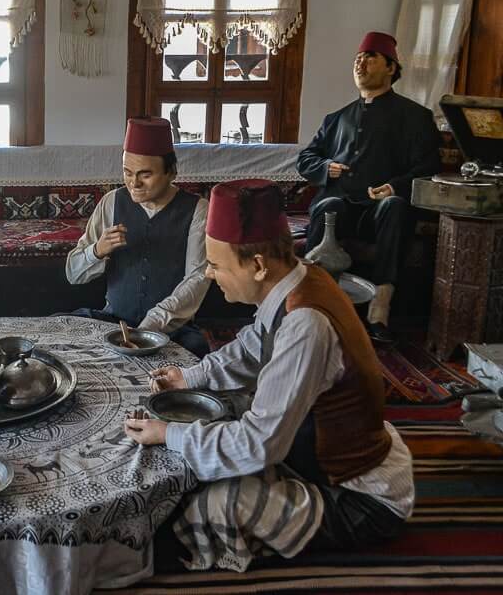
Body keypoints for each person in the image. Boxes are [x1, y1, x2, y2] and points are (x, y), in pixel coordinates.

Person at [124, 179, 414, 572]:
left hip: (358, 495)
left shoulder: (306, 324)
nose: (209, 275)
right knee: (216, 420)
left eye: (216, 265)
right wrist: (189, 378)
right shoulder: (298, 277)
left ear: (258, 266)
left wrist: (168, 434)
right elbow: (251, 346)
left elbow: (260, 444)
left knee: (206, 505)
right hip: (318, 451)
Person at [297, 31, 441, 343]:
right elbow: (306, 158)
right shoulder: (337, 118)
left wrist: (395, 186)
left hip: (380, 215)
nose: (360, 63)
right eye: (357, 59)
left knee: (394, 206)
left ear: (391, 68)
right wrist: (325, 167)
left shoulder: (415, 117)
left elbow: (429, 167)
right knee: (327, 205)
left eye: (369, 58)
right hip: (342, 208)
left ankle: (381, 306)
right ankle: (311, 305)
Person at [66, 117, 210, 358]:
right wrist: (97, 251)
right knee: (62, 329)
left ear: (171, 172)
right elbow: (72, 274)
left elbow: (197, 279)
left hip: (171, 330)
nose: (134, 183)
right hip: (113, 322)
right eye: (127, 172)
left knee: (195, 354)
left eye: (145, 175)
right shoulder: (112, 202)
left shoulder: (198, 209)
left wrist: (148, 328)